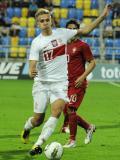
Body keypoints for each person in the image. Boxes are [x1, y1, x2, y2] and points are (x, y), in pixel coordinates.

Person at [21, 5, 112, 156]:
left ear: (51, 21)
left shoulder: (62, 33)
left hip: (60, 84)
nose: (45, 23)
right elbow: (32, 65)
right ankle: (27, 128)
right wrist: (32, 71)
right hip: (42, 84)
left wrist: (102, 17)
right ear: (38, 24)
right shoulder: (36, 42)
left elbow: (85, 30)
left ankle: (38, 145)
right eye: (42, 21)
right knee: (38, 119)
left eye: (47, 20)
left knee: (56, 112)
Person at [60, 19, 96, 148]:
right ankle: (88, 127)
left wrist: (83, 77)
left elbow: (92, 63)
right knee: (67, 112)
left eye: (73, 29)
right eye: (68, 29)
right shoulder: (63, 46)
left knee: (71, 109)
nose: (71, 31)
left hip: (77, 84)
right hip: (66, 84)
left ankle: (72, 140)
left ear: (77, 31)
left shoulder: (82, 45)